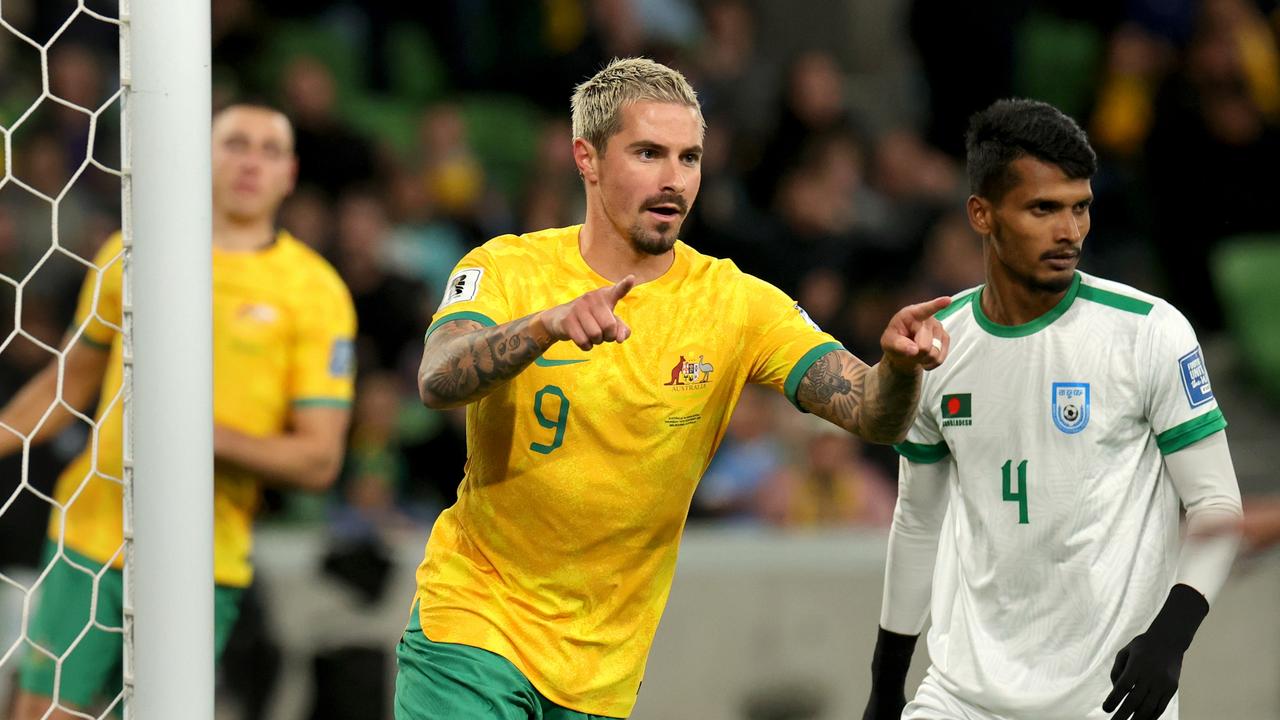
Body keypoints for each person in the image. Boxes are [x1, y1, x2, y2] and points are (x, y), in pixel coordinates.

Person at [395, 57, 952, 720]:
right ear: (588, 157)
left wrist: (897, 369)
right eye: (648, 153)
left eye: (688, 158)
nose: (673, 179)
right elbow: (438, 377)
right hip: (473, 625)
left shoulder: (736, 304)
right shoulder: (508, 268)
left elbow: (871, 414)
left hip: (601, 670)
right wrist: (542, 328)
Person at [861, 99, 1243, 720]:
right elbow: (918, 521)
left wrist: (1170, 637)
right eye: (1044, 208)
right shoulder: (938, 344)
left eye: (1081, 206)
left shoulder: (1149, 332)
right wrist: (885, 687)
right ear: (981, 215)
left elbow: (1216, 503)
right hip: (960, 697)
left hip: (1108, 699)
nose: (1070, 232)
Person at [5, 104, 356, 719]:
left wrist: (198, 434)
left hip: (203, 560)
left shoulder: (315, 291)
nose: (250, 161)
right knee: (41, 716)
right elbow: (70, 382)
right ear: (203, 158)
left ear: (291, 174)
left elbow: (320, 459)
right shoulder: (133, 250)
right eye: (235, 143)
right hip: (91, 533)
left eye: (269, 150)